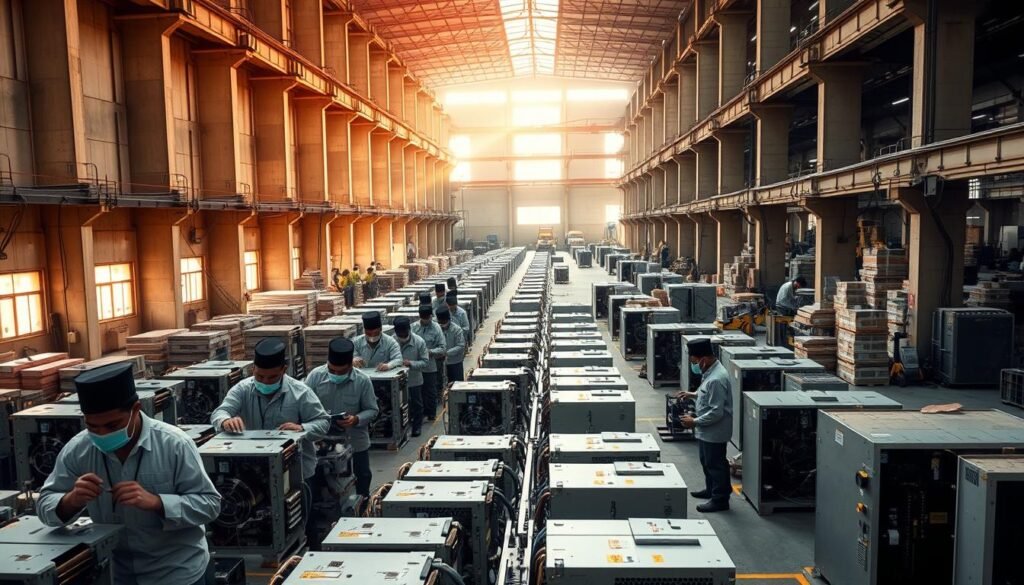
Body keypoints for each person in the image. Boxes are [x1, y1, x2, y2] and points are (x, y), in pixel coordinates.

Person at [38, 362, 221, 585]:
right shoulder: (79, 449)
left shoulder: (174, 445)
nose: (102, 434)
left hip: (175, 572)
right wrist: (71, 500)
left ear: (136, 409)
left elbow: (210, 504)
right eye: (93, 427)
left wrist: (158, 503)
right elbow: (45, 503)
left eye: (112, 425)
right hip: (115, 573)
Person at [210, 338, 330, 482]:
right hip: (252, 470)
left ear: (284, 370)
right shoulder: (242, 389)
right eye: (260, 376)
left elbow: (323, 422)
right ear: (253, 369)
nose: (265, 382)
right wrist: (225, 421)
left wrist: (302, 428)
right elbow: (219, 412)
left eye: (272, 377)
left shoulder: (301, 392)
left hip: (295, 471)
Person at [305, 337, 379, 498]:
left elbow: (372, 410)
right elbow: (303, 408)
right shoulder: (315, 377)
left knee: (362, 477)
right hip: (322, 444)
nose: (336, 374)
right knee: (319, 481)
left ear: (351, 365)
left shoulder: (362, 381)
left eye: (341, 371)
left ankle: (362, 507)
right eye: (332, 370)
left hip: (355, 441)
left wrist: (356, 419)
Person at [676, 338, 732, 513]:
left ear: (703, 360)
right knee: (707, 462)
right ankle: (710, 490)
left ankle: (720, 499)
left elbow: (716, 412)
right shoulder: (710, 372)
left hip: (715, 431)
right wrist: (692, 395)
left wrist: (694, 422)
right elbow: (705, 394)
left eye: (694, 362)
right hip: (707, 430)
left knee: (715, 464)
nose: (693, 365)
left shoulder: (716, 379)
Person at [390, 317, 428, 436]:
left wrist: (410, 363)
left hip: (414, 379)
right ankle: (400, 429)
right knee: (397, 406)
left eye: (404, 333)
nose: (402, 336)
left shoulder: (419, 342)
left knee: (416, 404)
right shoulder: (391, 342)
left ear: (409, 329)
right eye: (399, 334)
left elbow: (425, 362)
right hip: (396, 381)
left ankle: (417, 427)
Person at [412, 304, 446, 422]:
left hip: (430, 365)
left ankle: (431, 413)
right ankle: (419, 414)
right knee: (417, 392)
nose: (426, 320)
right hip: (416, 366)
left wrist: (430, 352)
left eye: (428, 317)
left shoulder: (436, 328)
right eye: (423, 318)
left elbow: (442, 348)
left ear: (431, 316)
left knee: (430, 390)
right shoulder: (414, 328)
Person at [437, 307, 466, 383]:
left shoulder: (457, 330)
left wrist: (447, 353)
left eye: (444, 322)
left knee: (457, 384)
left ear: (449, 319)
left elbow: (461, 346)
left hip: (455, 362)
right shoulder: (436, 329)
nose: (442, 324)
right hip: (439, 362)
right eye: (440, 322)